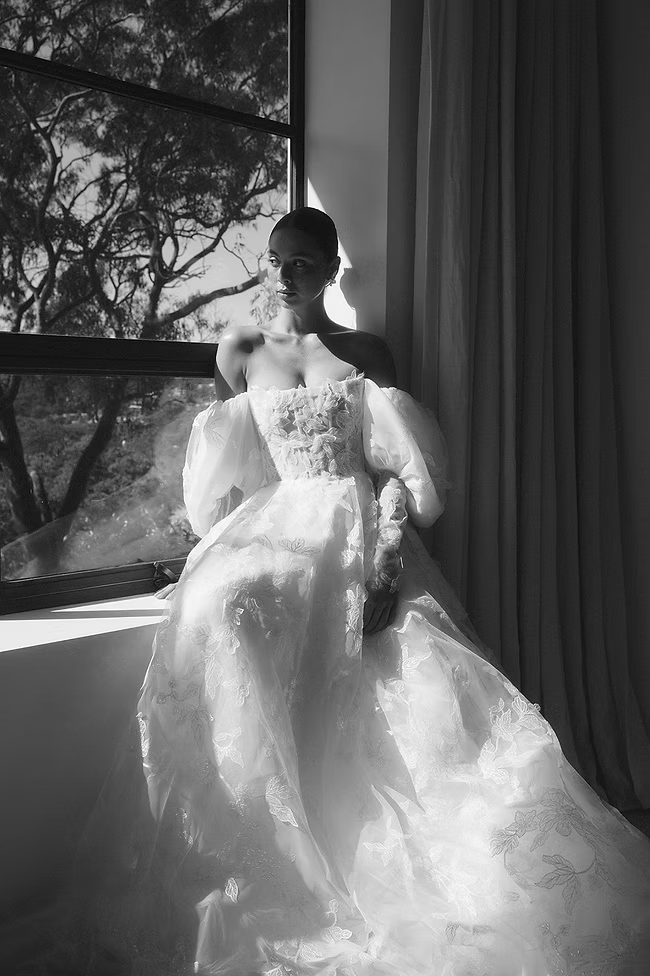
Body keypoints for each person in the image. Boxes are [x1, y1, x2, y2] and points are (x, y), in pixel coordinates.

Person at [64, 208, 650, 975]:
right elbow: (230, 472)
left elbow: (394, 467)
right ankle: (263, 848)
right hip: (279, 521)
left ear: (332, 265)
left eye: (302, 261)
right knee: (224, 609)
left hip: (356, 519)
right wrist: (212, 547)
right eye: (274, 259)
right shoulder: (241, 348)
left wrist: (386, 551)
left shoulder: (365, 352)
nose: (283, 273)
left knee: (402, 666)